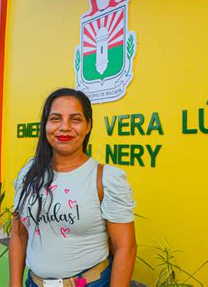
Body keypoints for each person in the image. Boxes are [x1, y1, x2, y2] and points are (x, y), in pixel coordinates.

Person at [9, 88, 136, 287]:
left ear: (88, 126)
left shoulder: (106, 179)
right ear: (45, 125)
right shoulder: (28, 174)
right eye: (55, 118)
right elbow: (19, 234)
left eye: (75, 119)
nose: (64, 127)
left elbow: (125, 247)